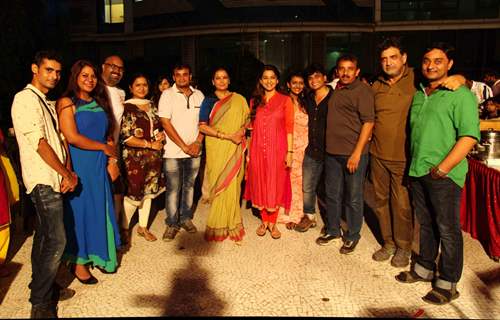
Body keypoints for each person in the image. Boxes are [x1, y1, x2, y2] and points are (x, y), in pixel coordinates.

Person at [371, 37, 467, 267]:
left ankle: (404, 247)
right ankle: (389, 243)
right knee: (381, 203)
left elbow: (446, 80)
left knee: (403, 205)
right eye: (384, 59)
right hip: (377, 155)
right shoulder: (376, 85)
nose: (388, 63)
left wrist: (461, 78)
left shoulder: (417, 78)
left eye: (393, 57)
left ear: (404, 58)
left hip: (404, 158)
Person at [395, 42, 480, 305]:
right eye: (427, 61)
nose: (431, 66)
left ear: (450, 65)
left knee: (447, 228)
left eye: (438, 61)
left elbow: (468, 137)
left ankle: (448, 282)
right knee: (427, 224)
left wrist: (444, 168)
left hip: (444, 174)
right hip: (419, 170)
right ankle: (424, 268)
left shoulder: (460, 94)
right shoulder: (421, 92)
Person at [11, 50, 78, 318]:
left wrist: (68, 171)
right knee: (56, 239)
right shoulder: (25, 99)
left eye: (57, 72)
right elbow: (39, 144)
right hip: (41, 178)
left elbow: (60, 141)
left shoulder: (45, 101)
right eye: (48, 70)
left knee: (44, 237)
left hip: (55, 176)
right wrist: (66, 173)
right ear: (35, 69)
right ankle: (40, 303)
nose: (54, 76)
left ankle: (44, 286)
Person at [57, 60, 121, 284]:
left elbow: (109, 135)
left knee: (99, 209)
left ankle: (101, 255)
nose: (89, 80)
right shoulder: (66, 102)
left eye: (93, 76)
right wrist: (103, 148)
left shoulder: (99, 102)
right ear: (75, 77)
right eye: (84, 75)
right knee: (81, 213)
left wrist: (112, 160)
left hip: (99, 165)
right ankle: (79, 262)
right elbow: (71, 137)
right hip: (79, 164)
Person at [321, 54, 375, 254]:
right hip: (332, 153)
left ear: (357, 71)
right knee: (332, 194)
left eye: (349, 68)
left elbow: (369, 122)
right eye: (341, 69)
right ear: (337, 71)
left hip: (353, 154)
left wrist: (357, 153)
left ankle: (352, 235)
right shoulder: (335, 89)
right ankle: (333, 230)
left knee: (353, 197)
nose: (345, 72)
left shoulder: (363, 91)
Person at [198, 67, 249, 243]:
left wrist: (240, 132)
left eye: (224, 77)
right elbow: (202, 126)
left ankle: (233, 223)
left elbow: (247, 122)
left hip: (235, 148)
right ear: (213, 81)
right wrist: (227, 136)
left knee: (233, 185)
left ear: (229, 80)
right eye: (217, 78)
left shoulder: (239, 99)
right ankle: (218, 225)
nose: (221, 81)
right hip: (217, 147)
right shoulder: (208, 101)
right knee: (219, 184)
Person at [244, 64, 294, 240]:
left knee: (275, 183)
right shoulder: (254, 101)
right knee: (260, 182)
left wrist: (290, 152)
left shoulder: (285, 100)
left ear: (278, 80)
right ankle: (264, 221)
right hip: (257, 148)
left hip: (278, 149)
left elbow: (289, 128)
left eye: (272, 77)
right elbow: (250, 130)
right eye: (265, 77)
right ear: (260, 80)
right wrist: (249, 153)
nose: (269, 81)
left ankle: (272, 223)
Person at [158, 64, 205, 242]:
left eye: (185, 75)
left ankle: (185, 218)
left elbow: (204, 122)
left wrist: (198, 142)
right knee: (173, 189)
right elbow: (165, 122)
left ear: (190, 76)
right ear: (174, 77)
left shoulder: (199, 95)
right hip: (173, 152)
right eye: (178, 75)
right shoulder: (167, 95)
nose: (182, 78)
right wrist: (184, 146)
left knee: (189, 186)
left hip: (194, 151)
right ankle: (171, 223)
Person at [120, 74, 166, 242]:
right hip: (134, 159)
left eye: (144, 85)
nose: (142, 88)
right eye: (137, 85)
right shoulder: (126, 108)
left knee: (148, 194)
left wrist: (160, 135)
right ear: (131, 88)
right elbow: (125, 137)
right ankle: (124, 228)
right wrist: (149, 144)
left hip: (154, 158)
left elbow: (157, 127)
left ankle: (142, 227)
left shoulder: (152, 105)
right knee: (134, 194)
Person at [294, 64, 333, 233]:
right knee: (307, 186)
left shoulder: (335, 97)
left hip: (331, 151)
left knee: (330, 190)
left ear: (325, 77)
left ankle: (332, 222)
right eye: (310, 78)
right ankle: (309, 216)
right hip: (311, 151)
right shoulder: (308, 98)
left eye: (317, 76)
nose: (313, 80)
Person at [277, 71, 309, 230]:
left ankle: (298, 214)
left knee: (300, 182)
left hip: (304, 149)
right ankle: (286, 216)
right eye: (294, 82)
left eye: (301, 83)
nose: (297, 86)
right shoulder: (283, 101)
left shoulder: (305, 102)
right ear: (288, 84)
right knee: (287, 181)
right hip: (289, 147)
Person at [101, 55, 127, 240]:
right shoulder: (94, 89)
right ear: (103, 67)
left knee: (117, 188)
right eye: (112, 66)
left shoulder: (121, 93)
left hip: (114, 147)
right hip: (97, 148)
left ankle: (115, 230)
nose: (116, 71)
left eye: (120, 68)